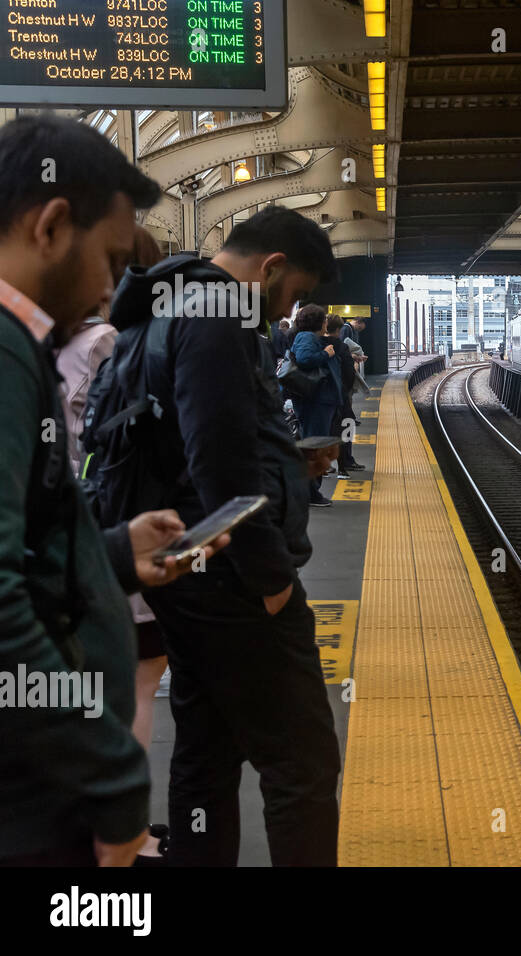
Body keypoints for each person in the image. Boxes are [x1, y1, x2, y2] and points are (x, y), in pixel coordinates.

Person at [0, 115, 227, 867]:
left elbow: (23, 553)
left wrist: (116, 556)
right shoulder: (7, 353)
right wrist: (113, 775)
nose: (109, 287)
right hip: (35, 797)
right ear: (53, 225)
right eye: (110, 259)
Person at [110, 204, 342, 866]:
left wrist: (290, 465)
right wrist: (271, 582)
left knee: (207, 745)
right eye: (293, 293)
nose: (286, 310)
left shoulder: (168, 298)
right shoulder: (221, 314)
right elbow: (218, 461)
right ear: (272, 267)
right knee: (301, 761)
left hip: (188, 569)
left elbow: (188, 441)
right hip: (233, 576)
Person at [56, 224, 171, 863]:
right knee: (136, 682)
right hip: (107, 529)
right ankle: (122, 834)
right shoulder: (106, 342)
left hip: (63, 537)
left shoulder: (34, 343)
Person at [292, 304, 345, 504]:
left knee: (316, 444)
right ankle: (310, 493)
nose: (326, 323)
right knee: (315, 446)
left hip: (320, 401)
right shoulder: (307, 337)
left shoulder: (312, 338)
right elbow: (305, 358)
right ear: (318, 322)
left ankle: (311, 492)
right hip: (316, 402)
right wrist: (326, 354)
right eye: (324, 320)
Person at [322, 313, 356, 479]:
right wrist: (346, 390)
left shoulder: (318, 344)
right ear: (339, 329)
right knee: (346, 426)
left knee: (325, 430)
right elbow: (349, 373)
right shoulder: (342, 347)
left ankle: (326, 466)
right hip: (339, 394)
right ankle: (343, 466)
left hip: (321, 395)